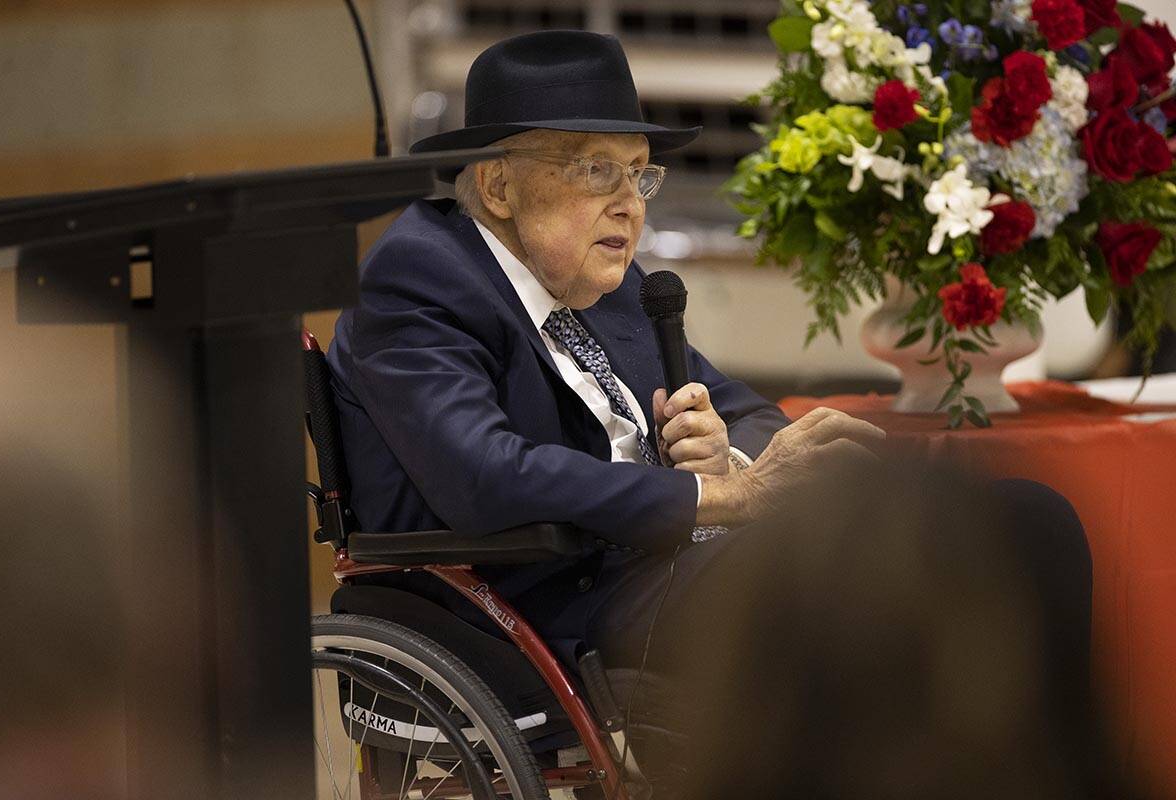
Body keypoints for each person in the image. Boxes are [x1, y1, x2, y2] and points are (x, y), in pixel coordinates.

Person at [327, 28, 1091, 787]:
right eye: (598, 171)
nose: (631, 204)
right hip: (556, 597)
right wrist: (710, 495)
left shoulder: (600, 278)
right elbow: (483, 474)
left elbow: (738, 405)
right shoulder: (420, 279)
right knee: (858, 592)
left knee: (1026, 522)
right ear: (498, 187)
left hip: (664, 570)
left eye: (639, 175)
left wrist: (735, 454)